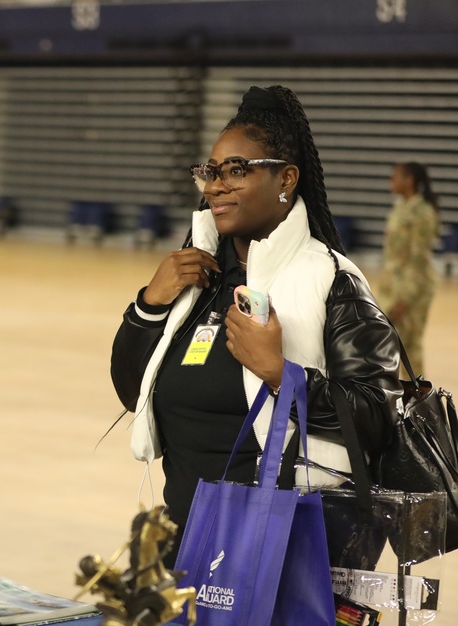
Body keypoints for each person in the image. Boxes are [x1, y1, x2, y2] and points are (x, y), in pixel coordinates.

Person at [109, 85, 402, 567]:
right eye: (211, 171)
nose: (215, 186)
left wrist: (280, 373)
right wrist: (150, 305)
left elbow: (378, 416)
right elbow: (131, 394)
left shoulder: (331, 281)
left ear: (286, 179)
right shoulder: (197, 278)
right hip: (187, 542)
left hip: (286, 551)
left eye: (236, 170)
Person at [376, 161, 441, 376]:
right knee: (392, 348)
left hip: (411, 289)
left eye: (396, 177)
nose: (391, 181)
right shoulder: (401, 206)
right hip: (393, 286)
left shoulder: (422, 213)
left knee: (409, 349)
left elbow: (418, 260)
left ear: (409, 181)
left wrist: (404, 298)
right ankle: (400, 401)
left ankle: (419, 402)